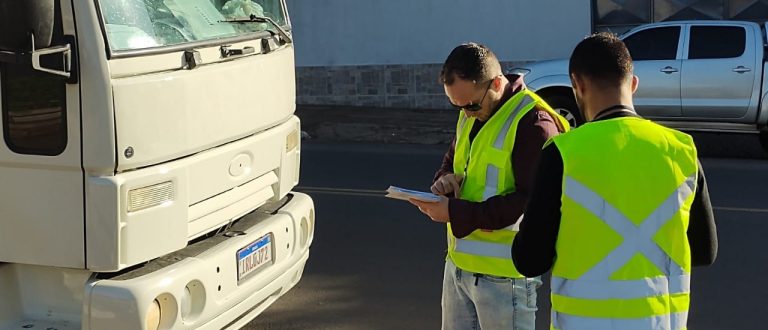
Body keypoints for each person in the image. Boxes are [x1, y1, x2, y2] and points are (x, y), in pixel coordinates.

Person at [511, 32, 718, 330]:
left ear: (577, 85)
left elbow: (530, 260)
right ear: (633, 84)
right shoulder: (680, 149)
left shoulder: (563, 153)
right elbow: (704, 251)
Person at [410, 42, 569, 329]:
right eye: (456, 106)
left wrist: (455, 213)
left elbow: (531, 203)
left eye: (470, 105)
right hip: (459, 269)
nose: (466, 113)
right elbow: (452, 160)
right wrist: (444, 180)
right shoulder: (470, 109)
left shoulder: (534, 122)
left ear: (496, 83)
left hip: (505, 279)